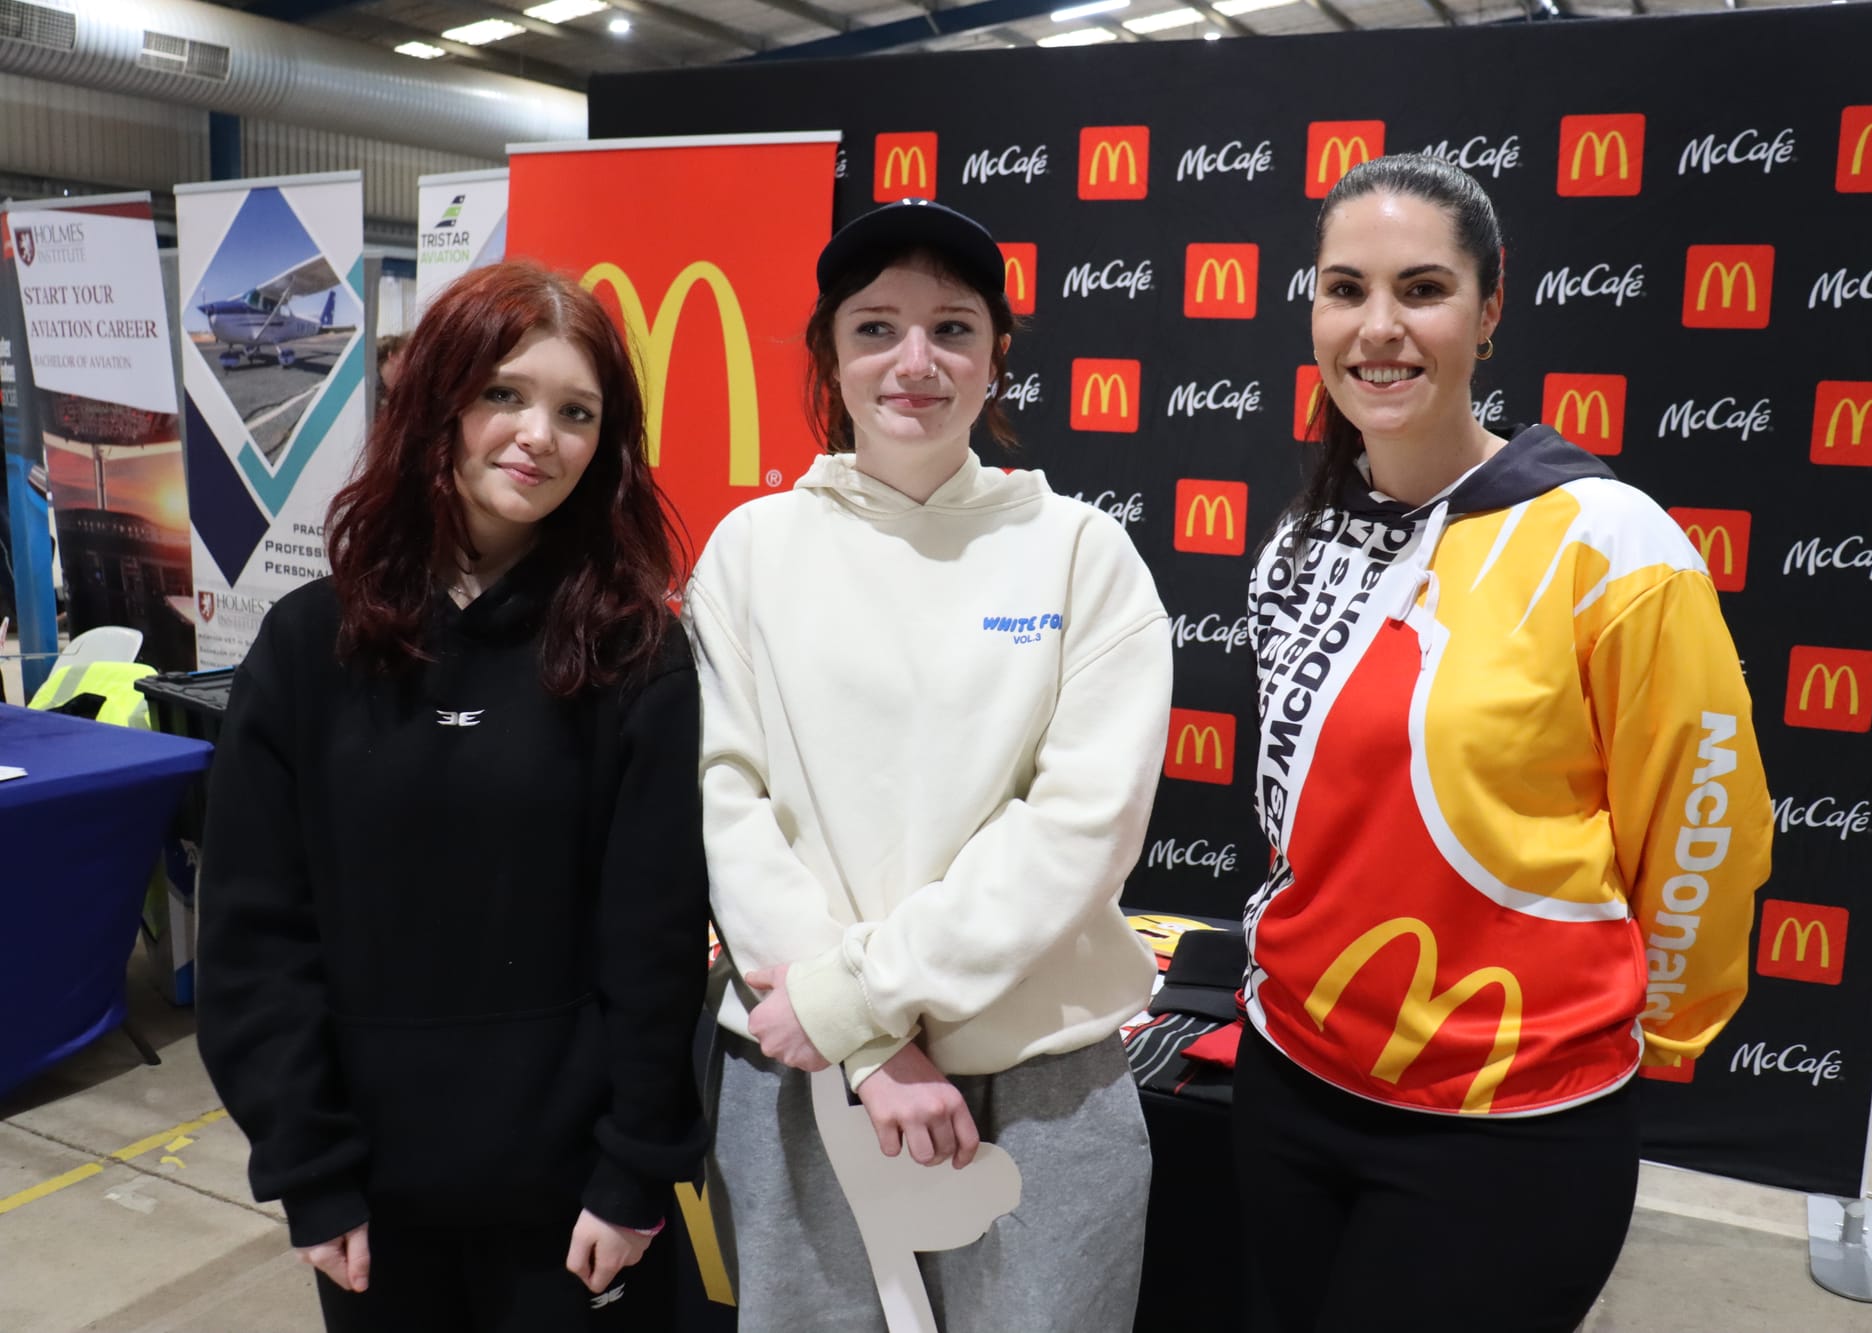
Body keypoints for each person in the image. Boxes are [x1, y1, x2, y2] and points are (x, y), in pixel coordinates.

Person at [1234, 155, 1774, 1332]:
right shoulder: (1300, 538)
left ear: (1487, 312)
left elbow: (1702, 821)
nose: (1377, 328)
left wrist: (1644, 1034)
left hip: (1507, 1127)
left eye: (1420, 289)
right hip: (1289, 1074)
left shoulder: (1608, 542)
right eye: (1345, 289)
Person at [196, 259, 709, 1332]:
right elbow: (256, 938)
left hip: (575, 1205)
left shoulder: (634, 654)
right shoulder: (305, 647)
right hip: (374, 1199)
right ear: (437, 404)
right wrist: (311, 1168)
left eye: (577, 411)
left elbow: (654, 942)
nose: (539, 436)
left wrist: (633, 1170)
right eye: (503, 395)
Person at [688, 198, 1171, 1332]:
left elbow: (1076, 833)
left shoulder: (1078, 555)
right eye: (875, 328)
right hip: (800, 1066)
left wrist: (863, 999)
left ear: (996, 358)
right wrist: (860, 1042)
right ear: (829, 354)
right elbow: (726, 804)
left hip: (1041, 1076)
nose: (914, 361)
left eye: (952, 329)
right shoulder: (749, 551)